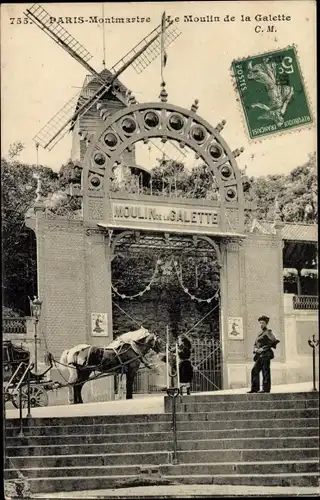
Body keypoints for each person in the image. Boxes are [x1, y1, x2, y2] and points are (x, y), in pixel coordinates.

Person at [248, 315, 280, 393]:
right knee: (254, 370)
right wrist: (255, 349)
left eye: (263, 323)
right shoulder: (259, 333)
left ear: (266, 324)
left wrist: (263, 348)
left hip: (265, 355)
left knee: (265, 372)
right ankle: (255, 388)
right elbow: (255, 343)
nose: (261, 324)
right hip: (259, 356)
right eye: (260, 323)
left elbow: (274, 341)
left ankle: (266, 389)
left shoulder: (268, 332)